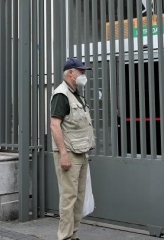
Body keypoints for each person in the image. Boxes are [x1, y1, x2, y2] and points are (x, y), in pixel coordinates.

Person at [50, 57, 96, 240]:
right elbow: (55, 125)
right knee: (69, 198)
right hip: (69, 153)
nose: (83, 75)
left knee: (78, 196)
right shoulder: (61, 94)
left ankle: (73, 235)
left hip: (81, 152)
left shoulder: (76, 93)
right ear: (71, 72)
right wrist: (63, 155)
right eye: (81, 71)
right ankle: (65, 237)